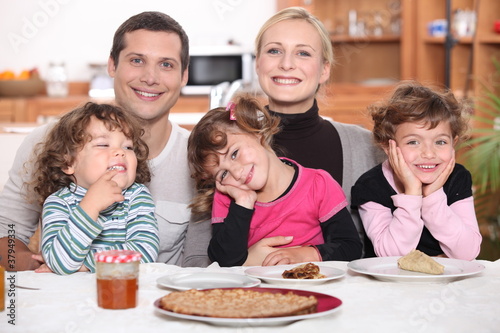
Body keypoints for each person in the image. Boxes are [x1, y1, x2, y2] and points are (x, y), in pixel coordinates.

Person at [0, 11, 210, 271]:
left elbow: (198, 262)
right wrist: (47, 270)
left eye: (166, 64)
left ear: (184, 75)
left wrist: (85, 266)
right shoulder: (48, 141)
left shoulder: (201, 158)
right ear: (112, 65)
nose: (150, 77)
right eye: (137, 60)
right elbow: (7, 236)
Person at [248, 7, 385, 260]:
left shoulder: (366, 147)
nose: (286, 64)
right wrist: (242, 262)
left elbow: (384, 252)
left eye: (303, 53)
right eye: (274, 51)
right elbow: (197, 258)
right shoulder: (226, 147)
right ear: (258, 63)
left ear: (324, 70)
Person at [187, 96, 362, 267]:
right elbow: (224, 261)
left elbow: (350, 247)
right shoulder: (227, 198)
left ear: (256, 133)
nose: (237, 173)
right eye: (223, 174)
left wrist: (304, 255)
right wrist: (243, 203)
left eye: (234, 154)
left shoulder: (318, 184)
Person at [351, 81, 482, 260]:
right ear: (388, 147)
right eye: (413, 142)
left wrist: (433, 197)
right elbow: (390, 256)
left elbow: (467, 253)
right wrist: (412, 194)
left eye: (440, 142)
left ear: (454, 144)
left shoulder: (458, 178)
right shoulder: (371, 185)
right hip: (391, 285)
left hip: (444, 283)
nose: (429, 153)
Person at [32, 102, 159, 275]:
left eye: (128, 147)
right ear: (68, 162)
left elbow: (145, 252)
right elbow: (60, 262)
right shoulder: (58, 203)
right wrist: (90, 206)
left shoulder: (137, 196)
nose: (120, 152)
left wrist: (83, 265)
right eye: (103, 145)